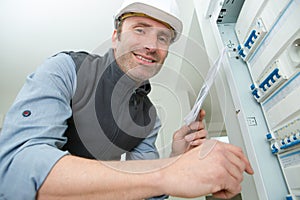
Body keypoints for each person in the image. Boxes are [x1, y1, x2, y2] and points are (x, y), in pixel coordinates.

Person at [0, 0, 254, 199]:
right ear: (115, 37)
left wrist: (176, 157)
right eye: (140, 29)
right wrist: (169, 172)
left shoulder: (149, 118)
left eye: (163, 37)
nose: (152, 45)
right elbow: (15, 171)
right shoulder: (66, 69)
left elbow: (149, 192)